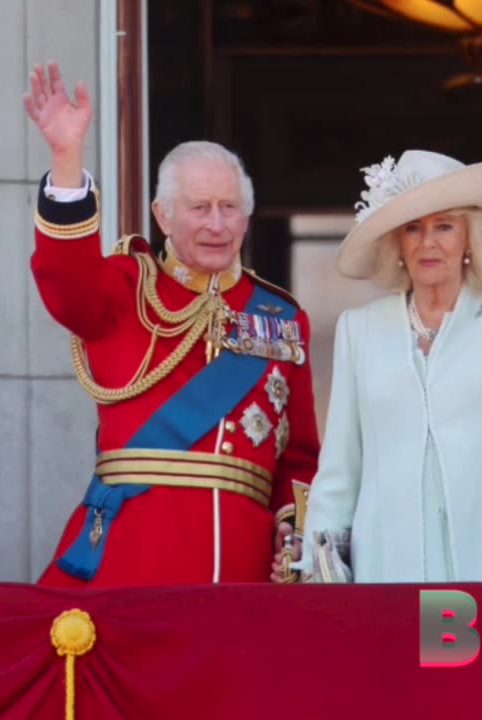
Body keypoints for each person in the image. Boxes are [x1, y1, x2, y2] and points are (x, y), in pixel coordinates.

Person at [24, 62, 320, 587]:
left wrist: (290, 536)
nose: (216, 224)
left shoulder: (280, 317)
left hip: (242, 568)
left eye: (230, 208)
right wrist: (66, 159)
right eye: (200, 207)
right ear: (162, 216)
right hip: (131, 557)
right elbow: (66, 281)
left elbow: (298, 457)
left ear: (247, 219)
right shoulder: (123, 288)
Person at [291, 113, 482, 583]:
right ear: (397, 243)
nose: (428, 243)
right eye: (413, 228)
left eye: (444, 227)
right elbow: (340, 468)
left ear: (469, 239)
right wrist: (319, 565)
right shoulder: (361, 330)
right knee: (399, 658)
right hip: (389, 565)